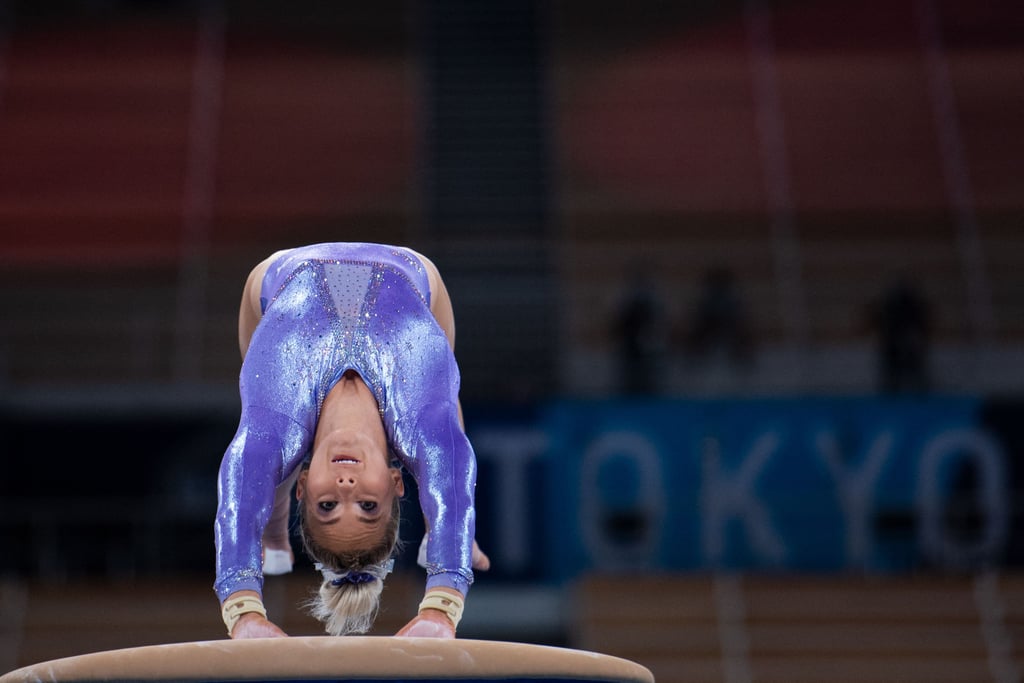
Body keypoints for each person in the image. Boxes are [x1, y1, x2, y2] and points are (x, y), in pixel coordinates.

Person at [214, 242, 490, 640]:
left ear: (305, 487)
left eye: (327, 506)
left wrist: (243, 613)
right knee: (442, 429)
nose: (347, 489)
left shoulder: (281, 409)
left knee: (263, 449)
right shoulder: (412, 410)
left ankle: (274, 524)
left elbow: (236, 495)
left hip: (272, 280)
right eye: (367, 506)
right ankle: (444, 527)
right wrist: (442, 607)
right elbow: (454, 467)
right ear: (397, 483)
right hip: (419, 279)